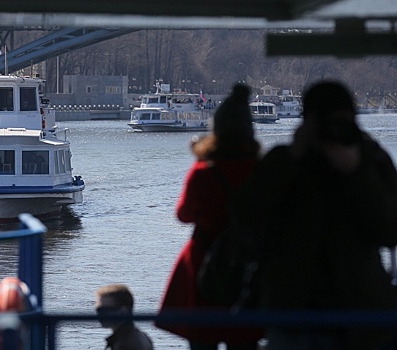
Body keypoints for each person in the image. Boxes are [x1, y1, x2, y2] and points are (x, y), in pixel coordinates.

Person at [234, 80, 397, 350]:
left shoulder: (371, 162)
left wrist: (356, 171)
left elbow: (389, 230)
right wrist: (292, 158)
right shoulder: (285, 161)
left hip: (347, 312)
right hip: (309, 313)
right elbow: (245, 212)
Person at [156, 83, 263, 350]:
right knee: (245, 340)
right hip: (251, 264)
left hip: (206, 262)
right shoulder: (263, 171)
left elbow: (183, 215)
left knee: (203, 339)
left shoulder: (204, 172)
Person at [95, 284, 153, 350]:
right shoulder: (141, 336)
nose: (99, 315)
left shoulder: (125, 344)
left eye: (105, 310)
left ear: (123, 311)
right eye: (98, 310)